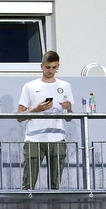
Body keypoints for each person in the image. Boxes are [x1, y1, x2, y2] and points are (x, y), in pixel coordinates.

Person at [17, 50, 73, 190]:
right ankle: (25, 208)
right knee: (28, 182)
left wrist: (69, 108)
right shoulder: (30, 86)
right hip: (34, 139)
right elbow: (19, 116)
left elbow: (69, 118)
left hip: (57, 138)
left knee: (55, 183)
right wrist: (37, 109)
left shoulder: (65, 86)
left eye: (54, 67)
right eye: (48, 67)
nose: (51, 70)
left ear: (58, 66)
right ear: (41, 66)